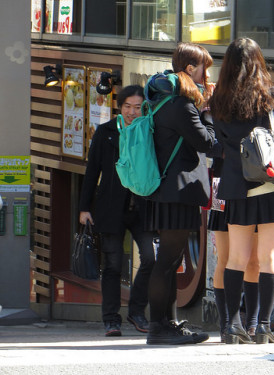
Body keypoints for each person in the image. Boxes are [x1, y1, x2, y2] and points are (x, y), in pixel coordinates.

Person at [209, 37, 274, 344]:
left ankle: (233, 325)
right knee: (268, 258)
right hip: (273, 183)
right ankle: (262, 325)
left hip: (237, 186)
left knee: (235, 258)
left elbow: (222, 145)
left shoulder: (218, 102)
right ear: (259, 63)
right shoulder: (271, 96)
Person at [144, 42, 215, 345]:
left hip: (168, 190)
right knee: (167, 262)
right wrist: (208, 113)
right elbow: (206, 142)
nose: (206, 75)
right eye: (204, 69)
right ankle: (159, 327)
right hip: (178, 191)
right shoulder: (182, 105)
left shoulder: (163, 100)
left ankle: (166, 323)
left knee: (169, 262)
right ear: (190, 69)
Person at [79, 85, 156, 337]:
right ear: (119, 107)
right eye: (127, 107)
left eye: (137, 107)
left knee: (150, 257)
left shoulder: (150, 130)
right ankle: (111, 319)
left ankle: (136, 312)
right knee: (112, 265)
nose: (132, 112)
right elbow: (92, 172)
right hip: (111, 207)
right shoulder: (106, 132)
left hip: (142, 206)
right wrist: (84, 208)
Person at [208, 158, 260, 341]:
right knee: (225, 258)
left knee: (253, 261)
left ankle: (253, 323)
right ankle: (226, 324)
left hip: (254, 184)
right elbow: (209, 144)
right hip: (222, 184)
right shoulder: (221, 127)